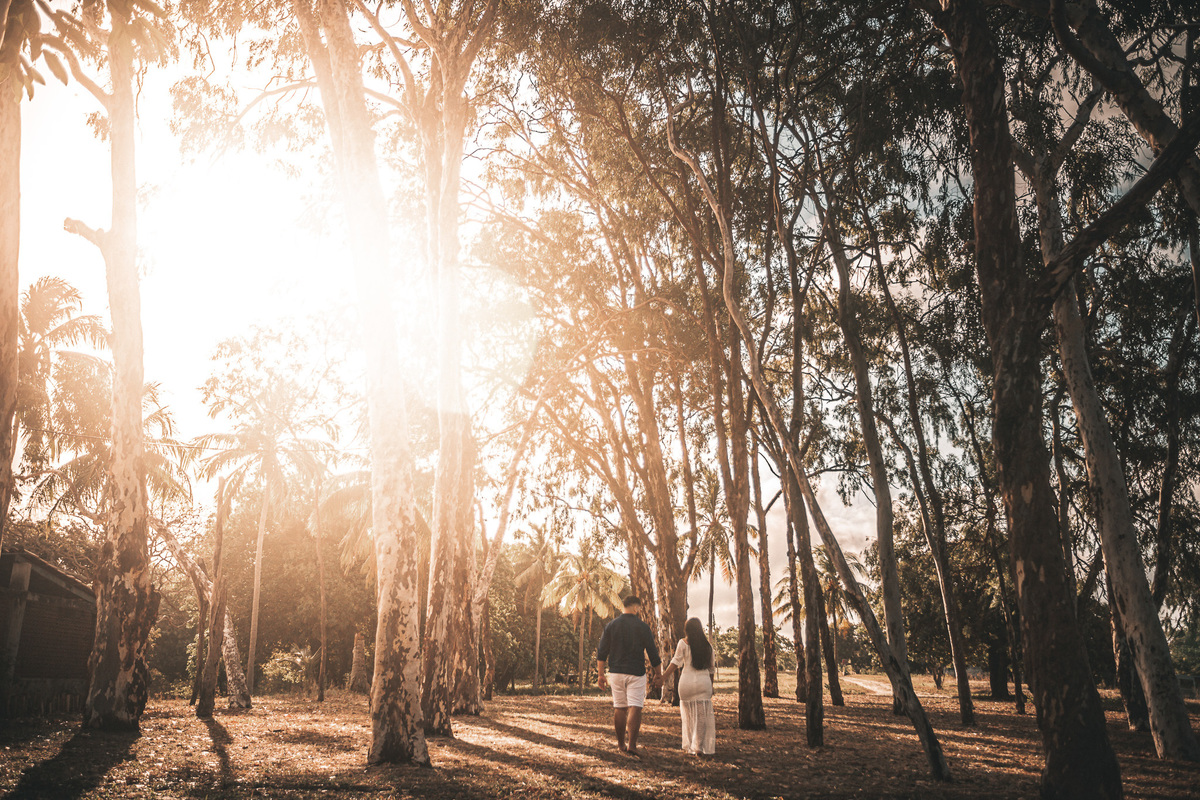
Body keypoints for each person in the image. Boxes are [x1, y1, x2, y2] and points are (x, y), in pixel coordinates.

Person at [596, 595, 662, 756]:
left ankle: (620, 745)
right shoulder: (642, 627)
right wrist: (658, 674)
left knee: (619, 707)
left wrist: (600, 674)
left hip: (616, 672)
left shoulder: (611, 625)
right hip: (636, 672)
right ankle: (632, 745)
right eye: (638, 608)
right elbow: (653, 652)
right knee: (635, 706)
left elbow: (602, 652)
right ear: (635, 608)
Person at [660, 617, 716, 756]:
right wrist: (711, 686)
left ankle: (691, 744)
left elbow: (675, 662)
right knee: (702, 717)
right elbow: (711, 670)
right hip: (703, 683)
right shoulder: (708, 647)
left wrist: (663, 677)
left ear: (687, 630)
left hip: (686, 684)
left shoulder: (683, 643)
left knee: (689, 717)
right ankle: (699, 747)